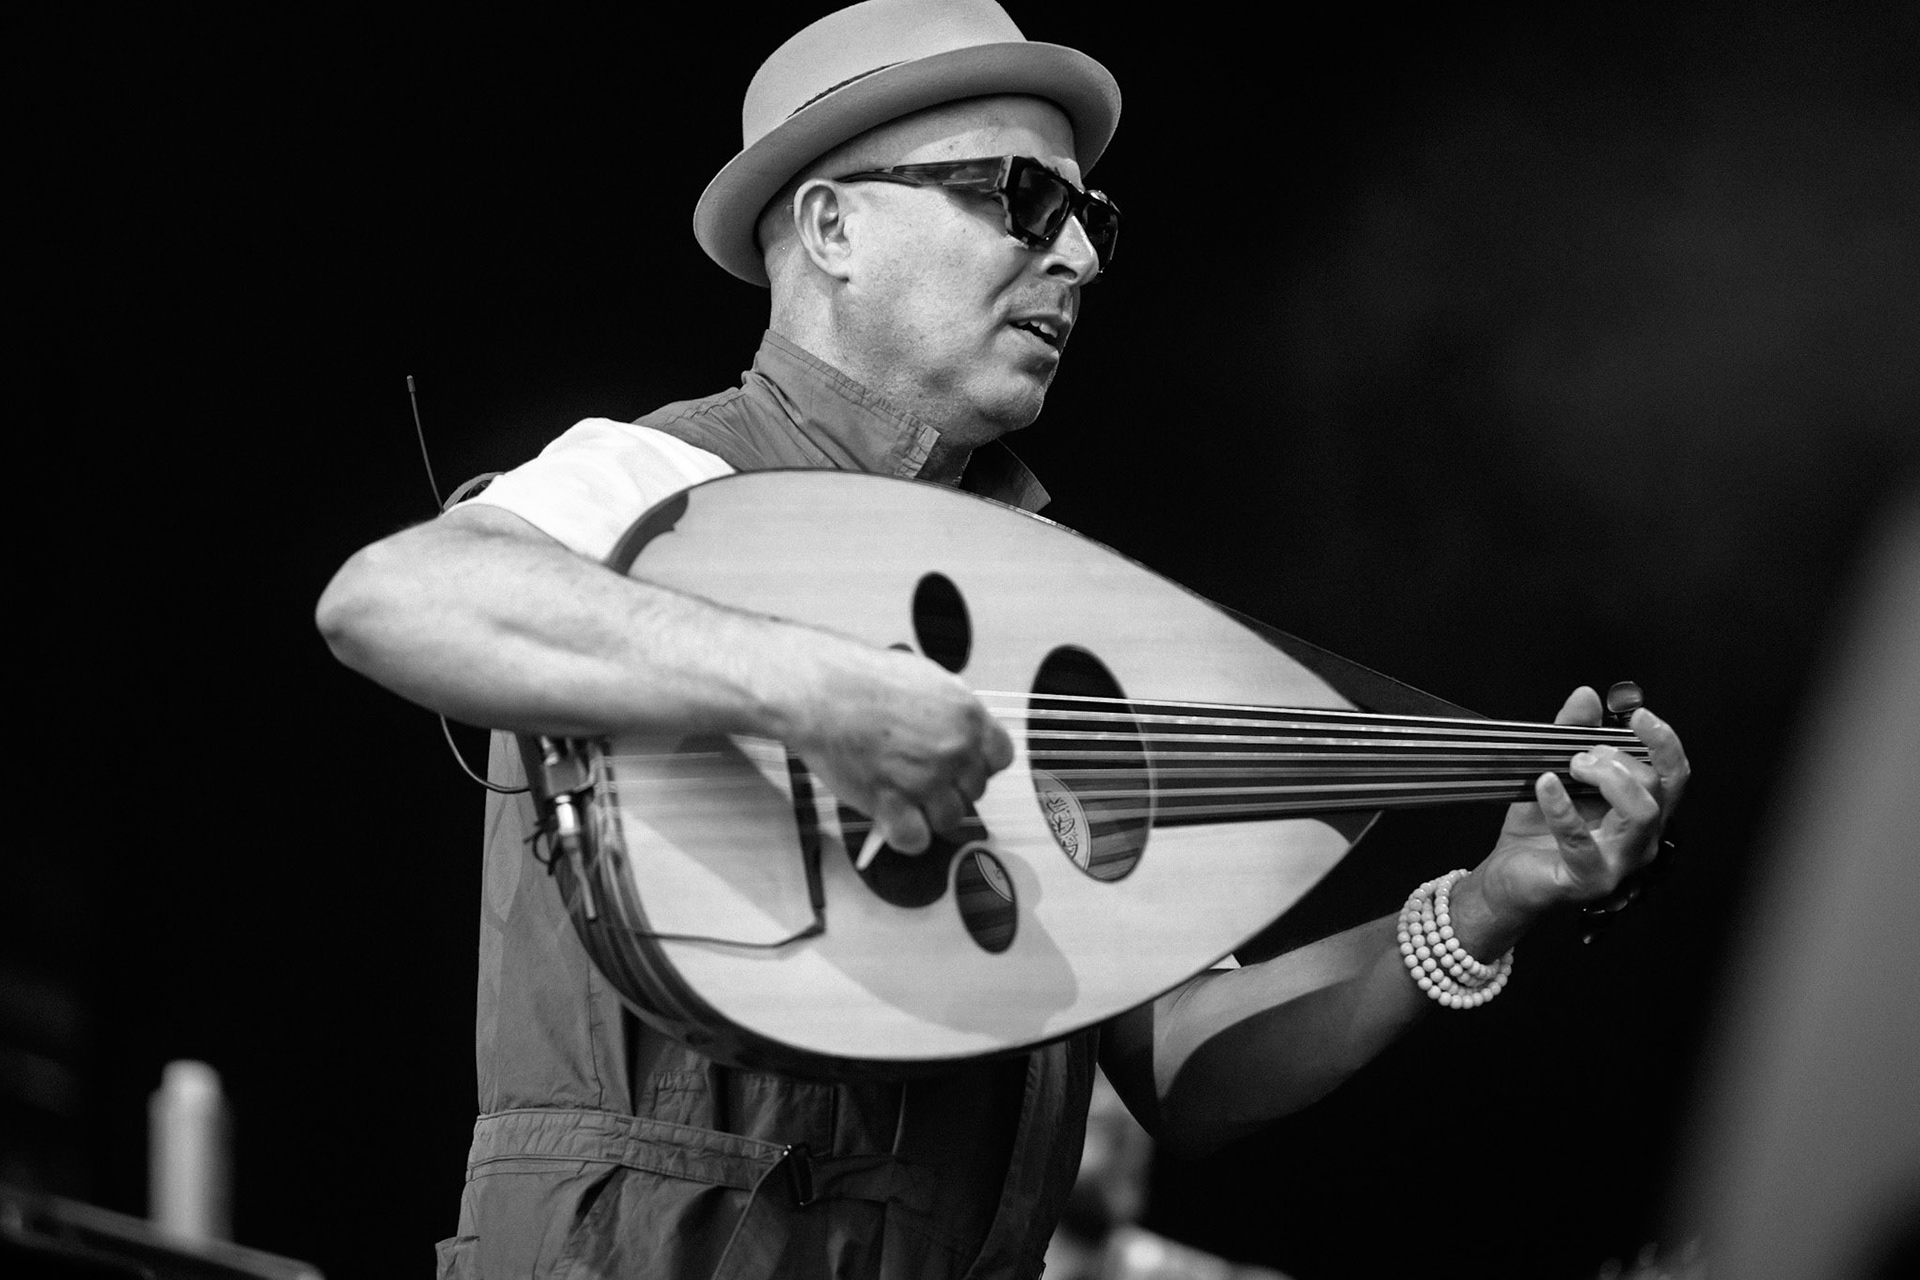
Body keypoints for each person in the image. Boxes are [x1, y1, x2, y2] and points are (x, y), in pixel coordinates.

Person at [315, 2, 1690, 1277]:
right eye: (1020, 199)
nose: (1077, 256)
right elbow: (396, 597)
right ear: (834, 226)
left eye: (1090, 216)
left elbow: (1181, 1056)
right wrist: (814, 689)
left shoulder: (1050, 607)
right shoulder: (654, 483)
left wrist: (1489, 902)